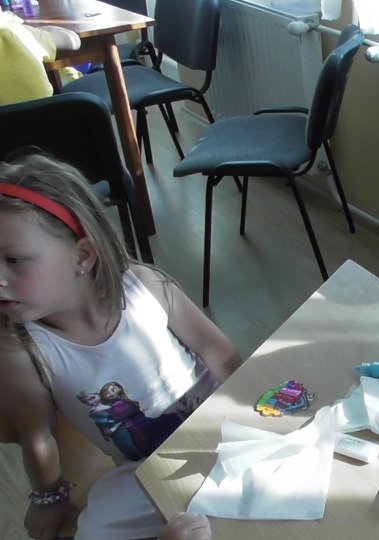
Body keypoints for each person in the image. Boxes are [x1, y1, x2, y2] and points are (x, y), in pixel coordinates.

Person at [0, 154, 241, 540]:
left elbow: (214, 347)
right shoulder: (20, 351)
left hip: (222, 426)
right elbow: (38, 436)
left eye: (14, 260)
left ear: (82, 255)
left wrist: (247, 412)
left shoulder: (145, 285)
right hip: (145, 468)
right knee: (94, 531)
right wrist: (50, 500)